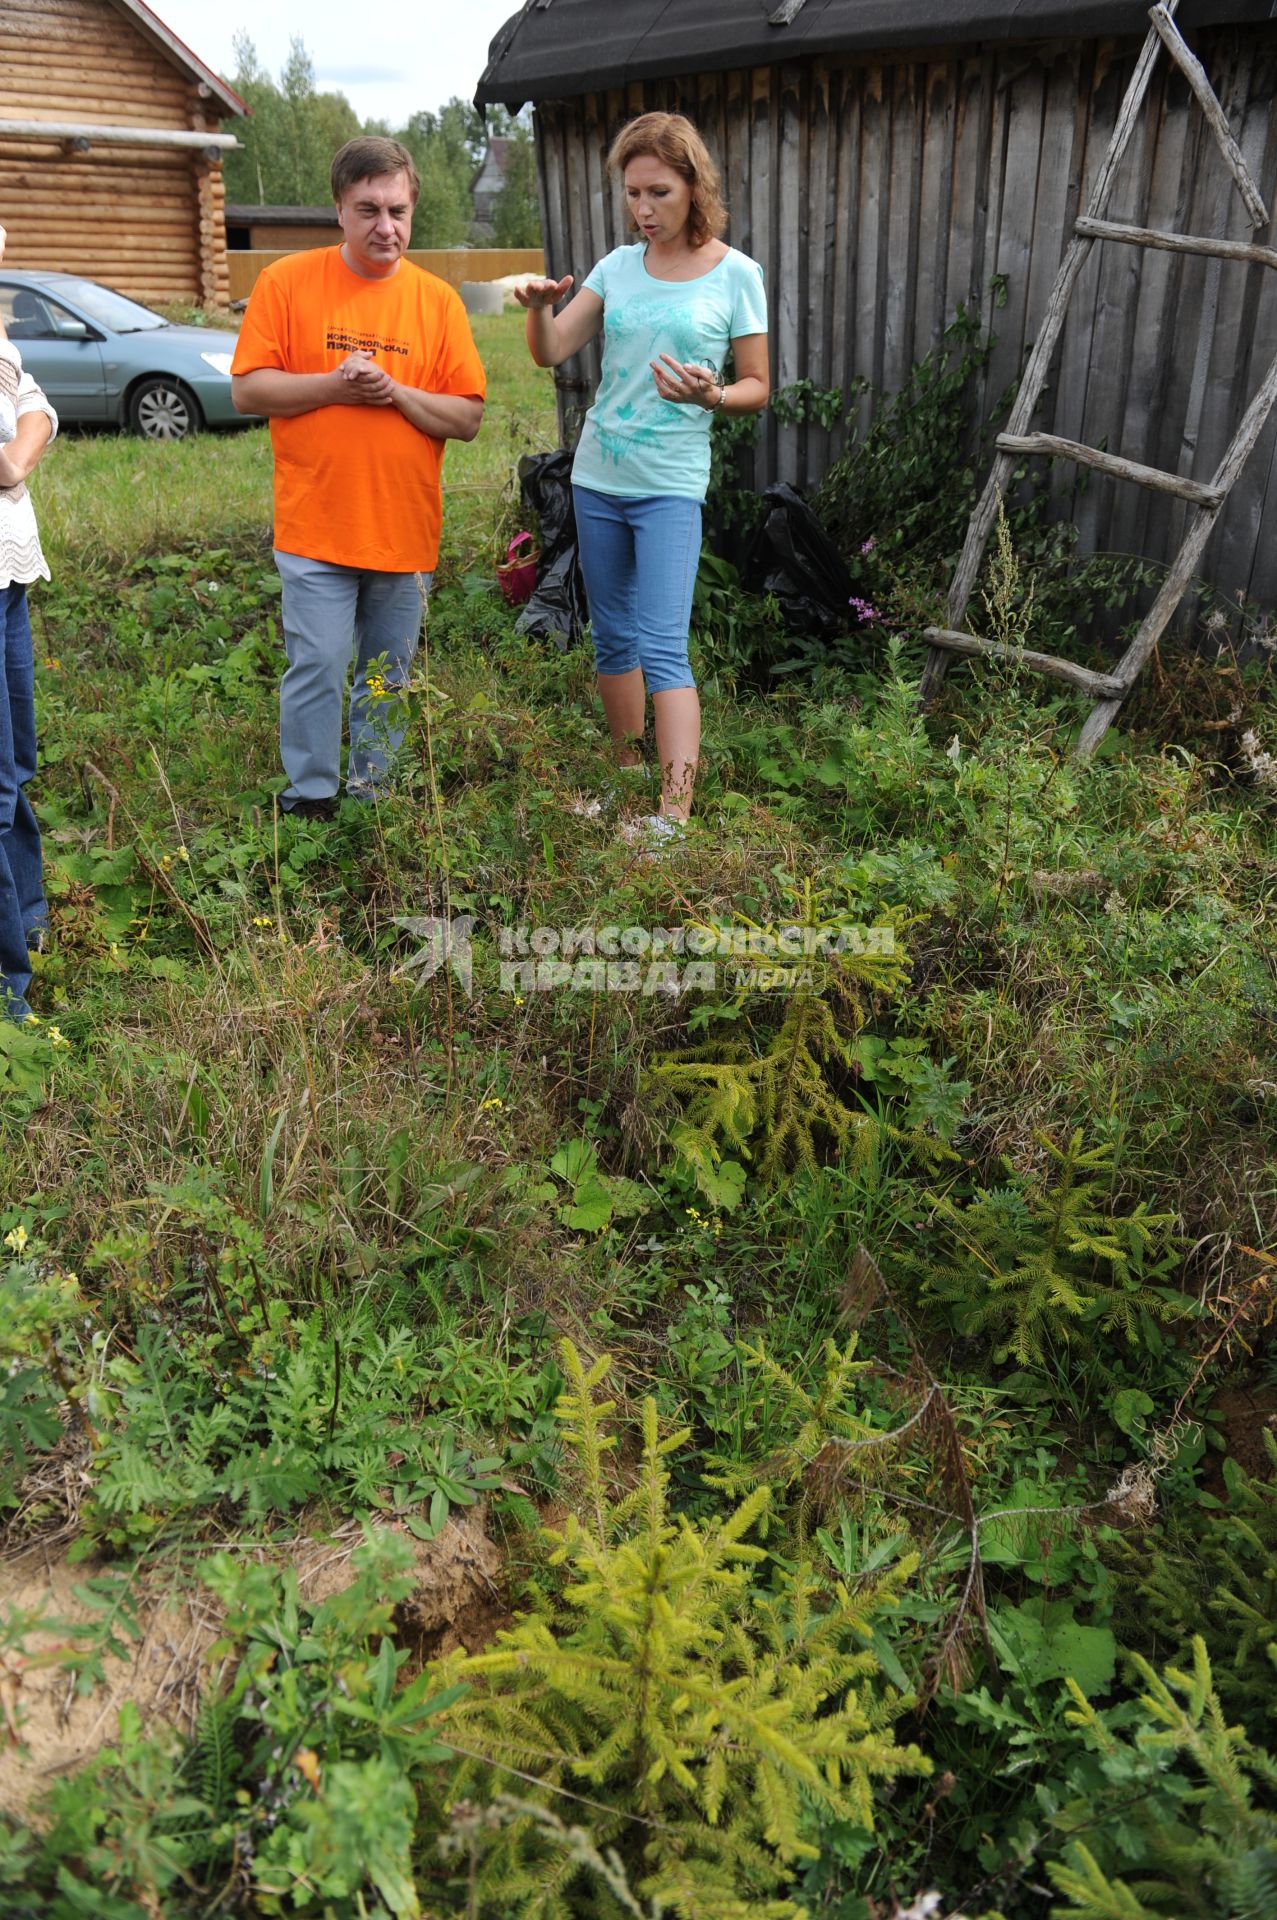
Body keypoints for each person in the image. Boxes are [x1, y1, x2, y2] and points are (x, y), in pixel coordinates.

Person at [517, 112, 769, 840]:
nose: (643, 209)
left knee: (663, 645)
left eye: (658, 191)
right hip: (598, 477)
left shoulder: (735, 274)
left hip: (668, 485)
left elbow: (756, 385)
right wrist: (539, 312)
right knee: (612, 640)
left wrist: (711, 394)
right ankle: (627, 785)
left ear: (695, 187)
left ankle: (672, 819)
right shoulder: (617, 267)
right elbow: (553, 346)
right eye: (632, 193)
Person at [231, 137, 486, 820]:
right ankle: (309, 799)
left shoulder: (437, 304)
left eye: (398, 211)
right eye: (368, 209)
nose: (386, 227)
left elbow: (464, 418)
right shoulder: (287, 283)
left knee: (385, 676)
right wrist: (336, 386)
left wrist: (393, 392)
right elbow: (248, 392)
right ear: (339, 208)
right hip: (315, 524)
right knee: (315, 665)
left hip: (402, 530)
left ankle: (376, 795)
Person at [0, 221, 57, 1026]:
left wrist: (15, 456)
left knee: (15, 760)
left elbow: (34, 406)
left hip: (7, 576)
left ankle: (32, 917)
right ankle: (8, 993)